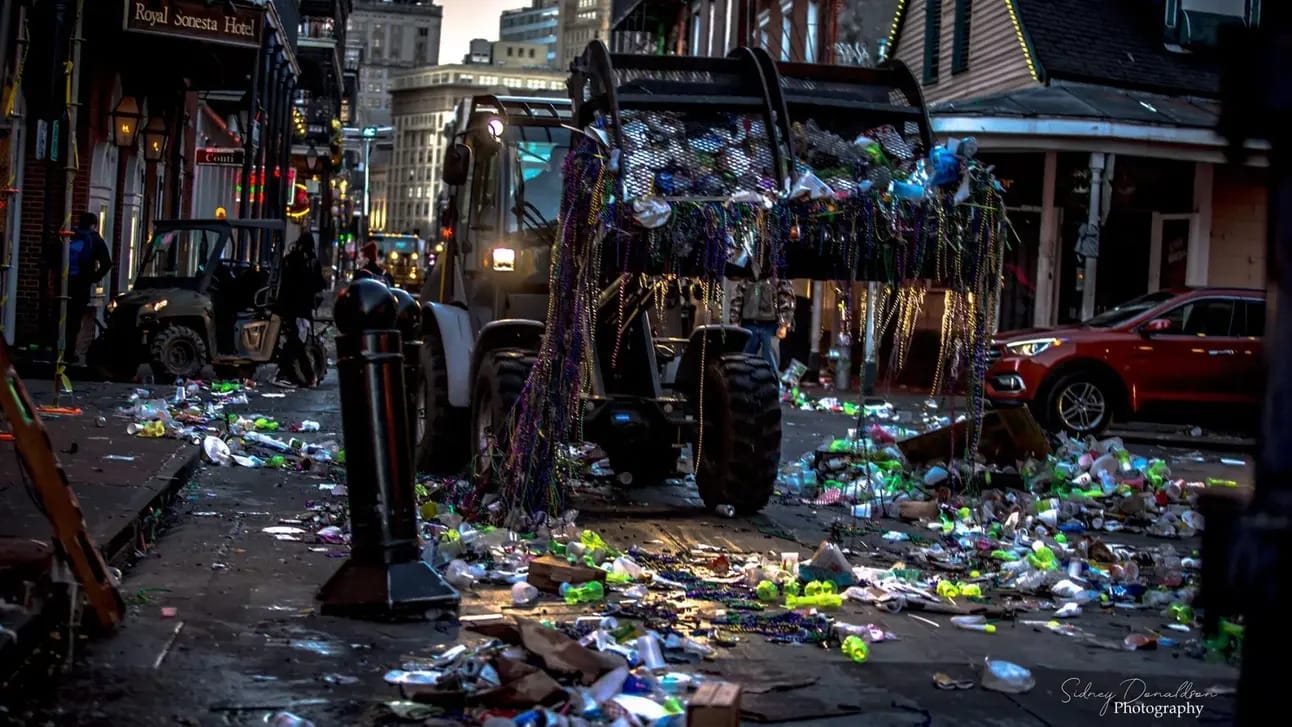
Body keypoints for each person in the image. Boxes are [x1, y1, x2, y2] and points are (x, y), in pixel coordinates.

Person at [274, 232, 327, 388]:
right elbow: (319, 284)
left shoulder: (290, 260)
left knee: (296, 342)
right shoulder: (311, 263)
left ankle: (299, 375)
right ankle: (298, 375)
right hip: (302, 309)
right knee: (297, 342)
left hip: (289, 307)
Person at [63, 212, 112, 365]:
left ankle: (56, 348)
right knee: (75, 319)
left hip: (63, 282)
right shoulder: (95, 239)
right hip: (81, 284)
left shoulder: (70, 235)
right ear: (94, 225)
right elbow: (107, 263)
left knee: (61, 316)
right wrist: (94, 278)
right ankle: (69, 353)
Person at [729, 277, 796, 373]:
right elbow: (738, 295)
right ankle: (744, 380)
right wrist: (734, 320)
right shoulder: (748, 273)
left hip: (771, 325)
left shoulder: (777, 272)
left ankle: (772, 380)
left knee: (771, 361)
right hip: (749, 323)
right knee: (744, 360)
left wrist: (784, 324)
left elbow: (786, 297)